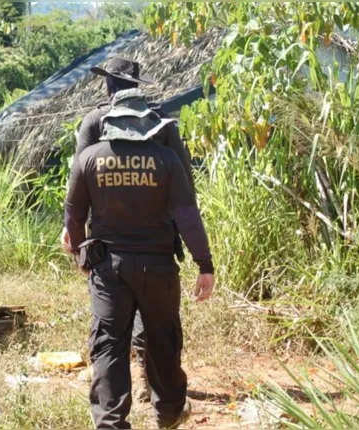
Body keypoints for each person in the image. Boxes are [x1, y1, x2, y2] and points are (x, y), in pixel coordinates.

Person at [64, 87, 215, 428]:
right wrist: (204, 265)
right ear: (146, 122)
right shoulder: (166, 160)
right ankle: (169, 412)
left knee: (108, 346)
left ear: (111, 121)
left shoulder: (89, 158)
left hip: (107, 270)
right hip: (158, 268)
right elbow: (187, 215)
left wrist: (80, 255)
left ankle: (110, 422)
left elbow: (73, 216)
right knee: (163, 340)